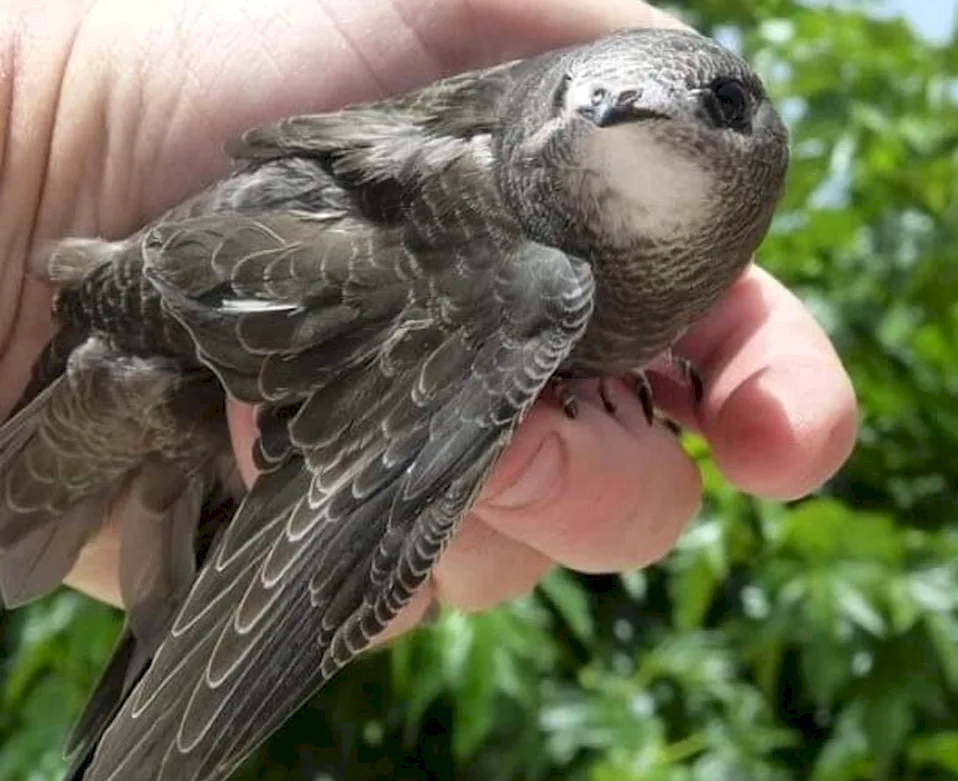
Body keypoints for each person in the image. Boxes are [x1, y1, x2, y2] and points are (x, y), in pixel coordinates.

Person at [0, 0, 856, 642]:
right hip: (140, 362)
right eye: (582, 106)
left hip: (145, 381)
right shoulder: (519, 259)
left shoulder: (629, 244)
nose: (618, 112)